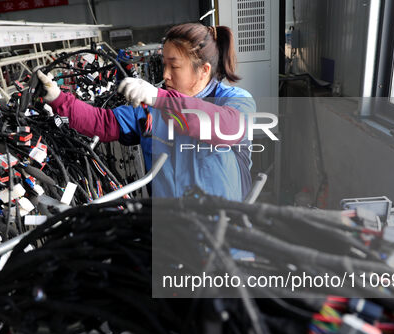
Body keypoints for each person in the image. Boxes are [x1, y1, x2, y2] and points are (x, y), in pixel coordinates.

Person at [37, 23, 256, 201]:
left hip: (223, 236)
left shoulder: (235, 100)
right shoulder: (152, 108)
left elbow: (228, 126)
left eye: (175, 66)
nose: (166, 75)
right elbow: (103, 122)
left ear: (204, 71)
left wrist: (159, 98)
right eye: (164, 65)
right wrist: (57, 98)